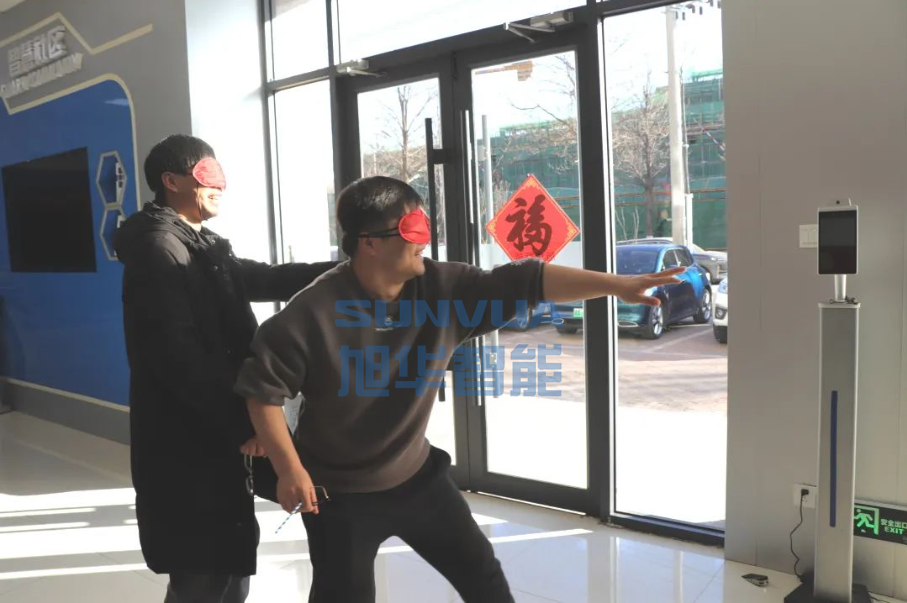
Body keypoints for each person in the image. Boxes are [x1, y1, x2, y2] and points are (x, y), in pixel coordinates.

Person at [233, 176, 683, 603]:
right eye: (411, 228)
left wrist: (618, 286)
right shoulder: (310, 313)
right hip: (338, 494)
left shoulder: (442, 287)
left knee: (484, 579)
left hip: (417, 478)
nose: (424, 240)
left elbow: (531, 279)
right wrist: (290, 470)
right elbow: (263, 393)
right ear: (369, 242)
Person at [114, 134, 335, 603]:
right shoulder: (159, 250)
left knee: (227, 561)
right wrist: (247, 423)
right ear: (171, 181)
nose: (220, 185)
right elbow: (178, 359)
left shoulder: (201, 244)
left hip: (214, 429)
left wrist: (343, 271)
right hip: (187, 438)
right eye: (205, 175)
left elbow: (264, 277)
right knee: (203, 567)